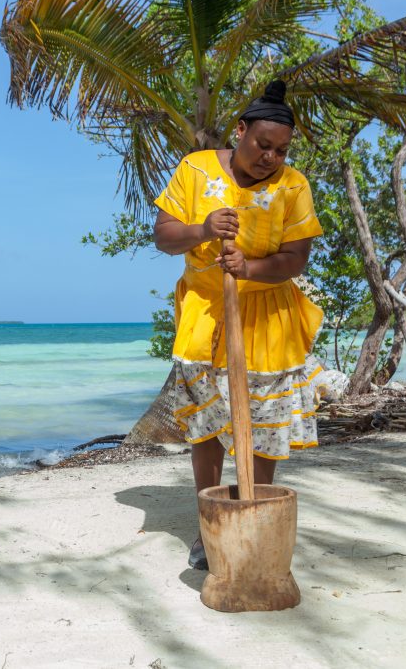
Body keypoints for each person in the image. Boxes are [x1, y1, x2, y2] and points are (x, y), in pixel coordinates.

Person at [152, 79, 325, 570]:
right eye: (262, 145)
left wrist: (248, 269)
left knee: (264, 425)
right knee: (206, 425)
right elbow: (164, 236)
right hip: (205, 311)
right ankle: (210, 524)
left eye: (281, 150)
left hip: (267, 315)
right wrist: (203, 229)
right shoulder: (196, 169)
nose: (271, 157)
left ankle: (256, 515)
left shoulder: (292, 186)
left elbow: (295, 259)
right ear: (240, 131)